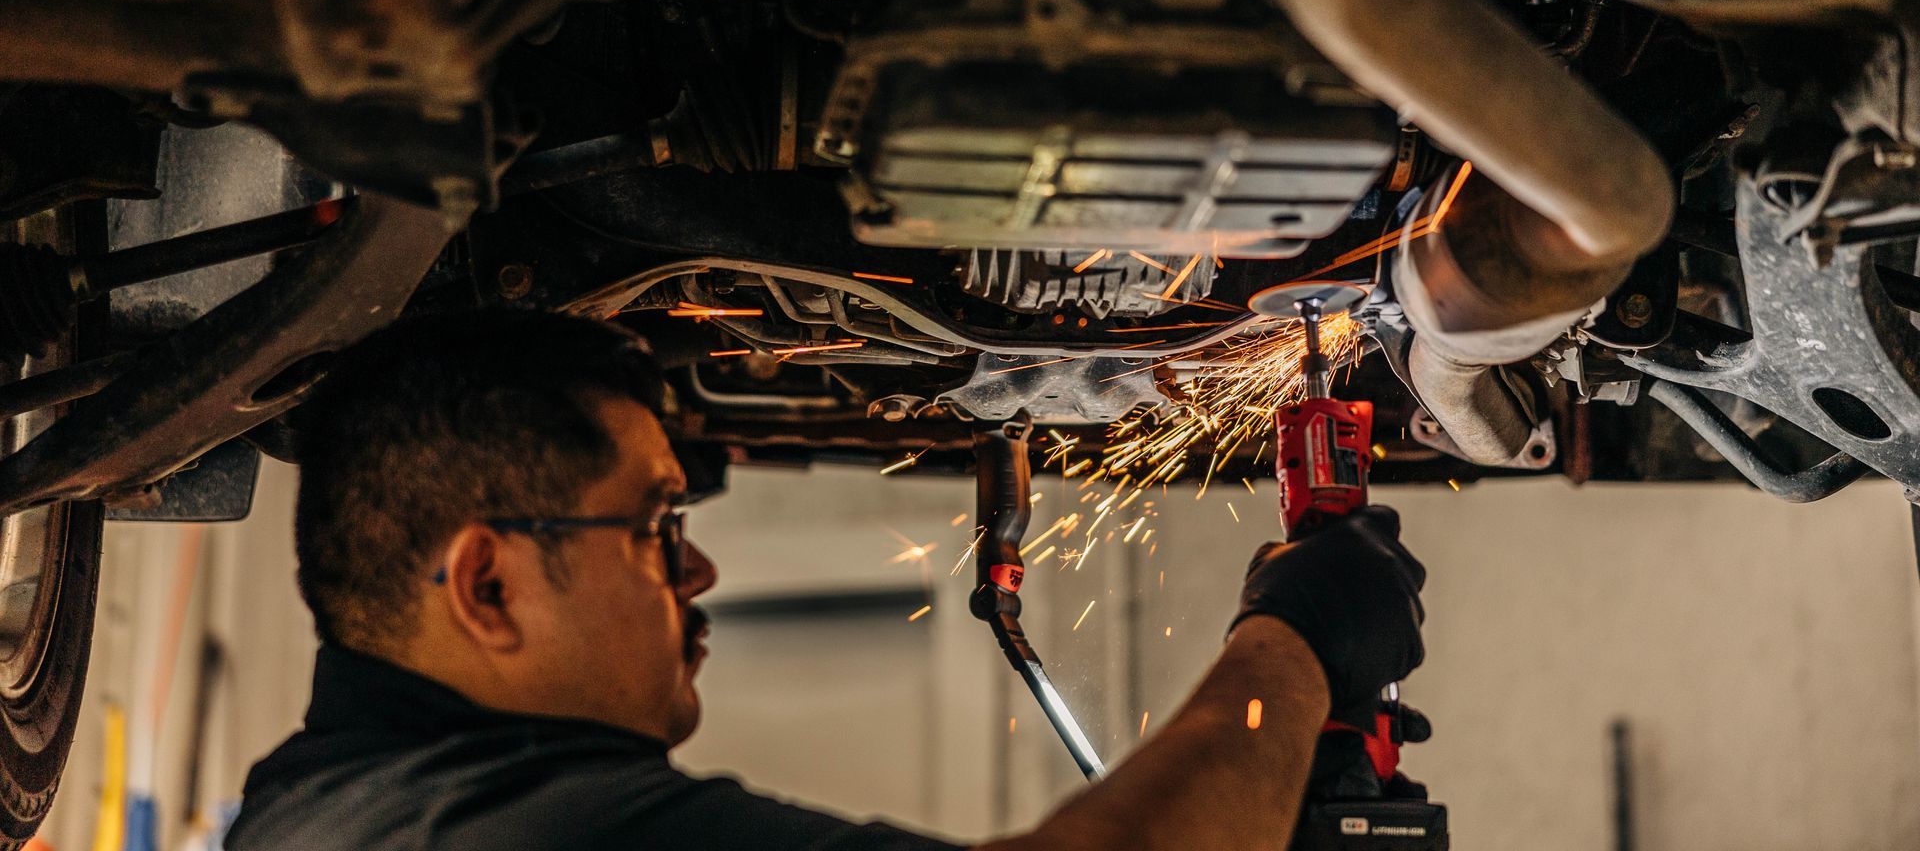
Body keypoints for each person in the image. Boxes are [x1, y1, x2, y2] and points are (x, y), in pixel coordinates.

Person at [225, 310, 1427, 851]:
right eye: (657, 523)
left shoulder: (324, 809)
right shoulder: (511, 828)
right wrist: (1295, 640)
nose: (697, 565)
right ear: (488, 586)